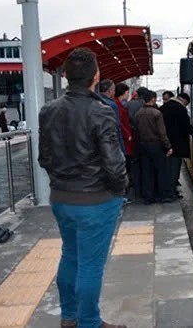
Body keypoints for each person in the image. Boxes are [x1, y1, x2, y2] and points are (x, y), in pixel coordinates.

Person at [38, 47, 128, 328]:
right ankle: (89, 322)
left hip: (61, 198)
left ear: (65, 76)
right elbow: (114, 164)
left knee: (71, 255)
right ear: (96, 75)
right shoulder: (101, 111)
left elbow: (44, 158)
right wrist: (119, 190)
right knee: (91, 264)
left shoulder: (48, 110)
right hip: (96, 200)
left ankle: (69, 316)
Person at [134, 90, 174, 204]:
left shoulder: (138, 113)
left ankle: (148, 197)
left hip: (143, 145)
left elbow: (136, 130)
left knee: (146, 172)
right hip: (156, 145)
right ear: (152, 99)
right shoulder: (156, 113)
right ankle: (162, 195)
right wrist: (168, 146)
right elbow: (162, 132)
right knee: (161, 171)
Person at [99, 79, 131, 205]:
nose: (114, 92)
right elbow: (116, 127)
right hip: (111, 144)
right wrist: (121, 148)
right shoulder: (111, 105)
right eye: (112, 89)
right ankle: (117, 198)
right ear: (109, 91)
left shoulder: (96, 101)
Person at [159, 93, 193, 196]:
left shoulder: (163, 107)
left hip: (165, 144)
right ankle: (171, 191)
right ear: (184, 101)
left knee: (167, 168)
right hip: (177, 144)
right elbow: (185, 127)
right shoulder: (180, 109)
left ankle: (168, 189)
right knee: (174, 168)